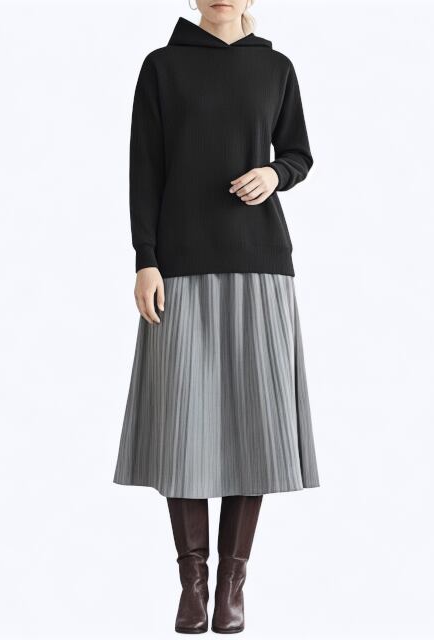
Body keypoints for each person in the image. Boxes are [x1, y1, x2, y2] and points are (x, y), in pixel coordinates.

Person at [113, 0, 320, 633]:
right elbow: (144, 168)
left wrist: (275, 173)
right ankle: (192, 585)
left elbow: (300, 154)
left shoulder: (276, 68)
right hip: (179, 266)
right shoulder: (162, 67)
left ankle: (232, 584)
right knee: (183, 428)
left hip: (261, 264)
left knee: (254, 427)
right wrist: (146, 260)